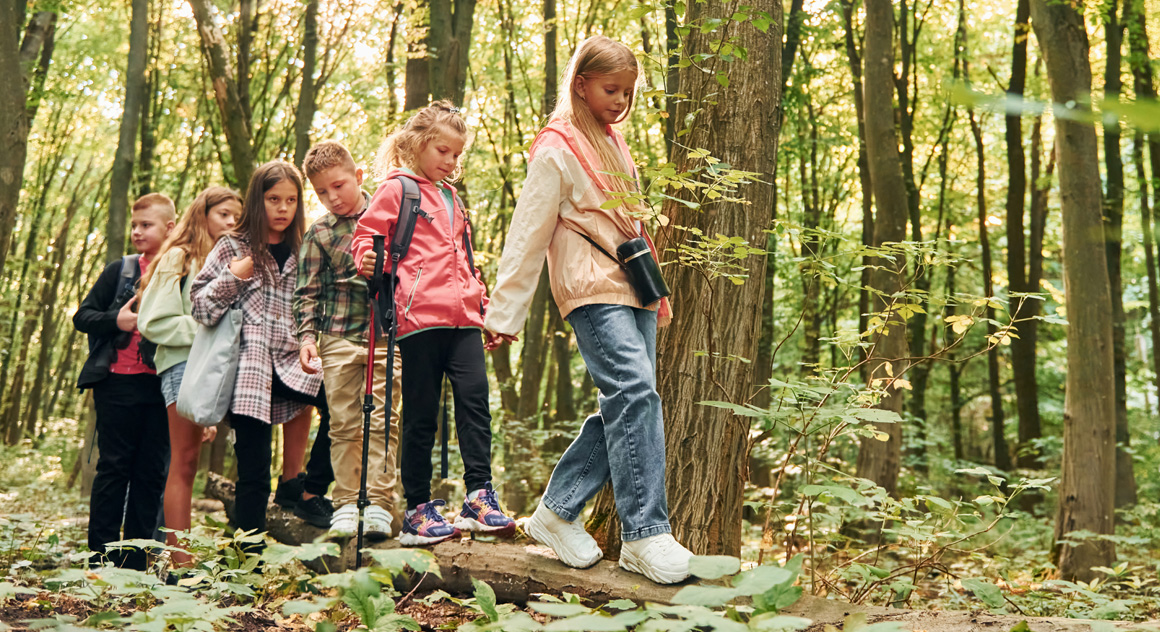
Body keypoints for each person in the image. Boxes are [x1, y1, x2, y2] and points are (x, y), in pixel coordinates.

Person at [484, 35, 694, 584]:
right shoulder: (556, 147)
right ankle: (646, 535)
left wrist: (654, 288)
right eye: (610, 89)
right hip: (589, 288)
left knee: (628, 403)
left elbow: (631, 222)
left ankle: (556, 510)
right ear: (580, 84)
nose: (621, 100)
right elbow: (528, 232)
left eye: (627, 91)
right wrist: (504, 314)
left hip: (635, 288)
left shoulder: (614, 142)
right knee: (634, 392)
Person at [352, 101, 515, 547]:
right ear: (418, 144)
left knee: (475, 403)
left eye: (457, 155)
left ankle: (479, 496)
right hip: (418, 319)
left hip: (464, 320)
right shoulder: (398, 190)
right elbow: (367, 236)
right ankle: (418, 509)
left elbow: (466, 261)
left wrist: (486, 313)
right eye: (443, 150)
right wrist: (366, 258)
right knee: (421, 416)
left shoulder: (453, 199)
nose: (451, 161)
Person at [191, 161, 334, 541]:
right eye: (273, 199)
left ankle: (306, 490)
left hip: (295, 361)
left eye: (290, 200)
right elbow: (201, 308)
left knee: (344, 406)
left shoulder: (307, 247)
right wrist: (233, 277)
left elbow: (322, 303)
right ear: (258, 200)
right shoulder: (231, 246)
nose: (283, 208)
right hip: (249, 371)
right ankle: (245, 566)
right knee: (252, 474)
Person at [295, 140, 402, 539]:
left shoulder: (389, 217)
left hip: (386, 335)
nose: (331, 198)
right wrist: (307, 338)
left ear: (358, 177)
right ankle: (344, 503)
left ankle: (378, 502)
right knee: (342, 422)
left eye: (338, 186)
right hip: (338, 338)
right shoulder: (319, 233)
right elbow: (306, 292)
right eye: (322, 192)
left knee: (384, 419)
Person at [137, 186, 240, 568]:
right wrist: (203, 326)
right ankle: (180, 563)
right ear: (203, 214)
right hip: (182, 365)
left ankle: (206, 556)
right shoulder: (179, 257)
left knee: (198, 458)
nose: (231, 223)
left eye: (236, 217)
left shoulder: (230, 261)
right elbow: (152, 321)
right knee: (183, 461)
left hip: (220, 369)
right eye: (224, 214)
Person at [73, 193, 175, 570]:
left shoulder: (182, 271)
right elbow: (83, 316)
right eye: (134, 225)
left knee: (151, 473)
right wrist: (118, 320)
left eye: (146, 225)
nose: (136, 232)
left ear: (170, 228)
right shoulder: (121, 269)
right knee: (113, 468)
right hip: (116, 383)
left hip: (163, 385)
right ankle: (99, 559)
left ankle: (133, 565)